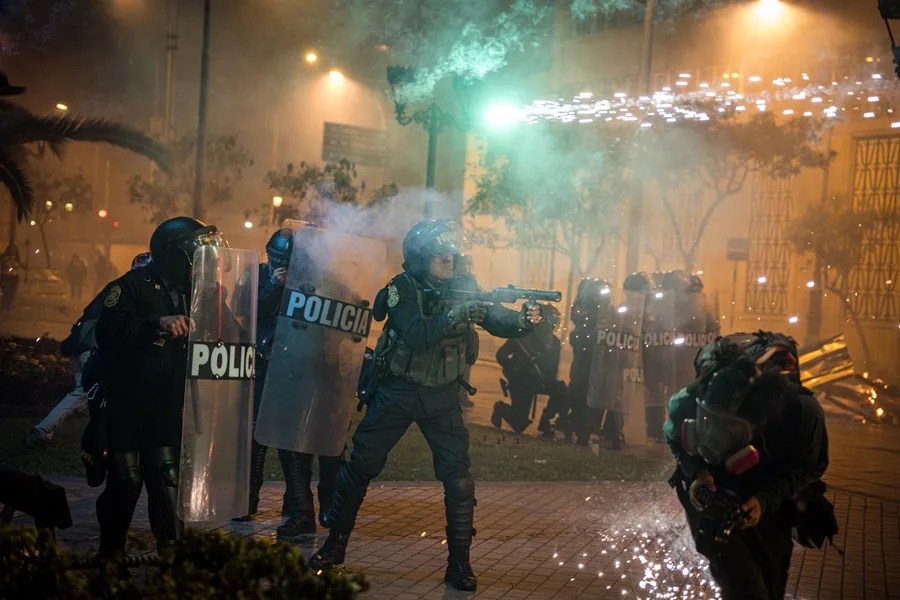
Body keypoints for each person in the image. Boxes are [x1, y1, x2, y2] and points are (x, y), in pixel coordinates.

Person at [309, 219, 543, 591]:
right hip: (398, 392)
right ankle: (334, 545)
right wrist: (455, 315)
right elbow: (416, 335)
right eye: (441, 255)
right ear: (421, 258)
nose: (449, 259)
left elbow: (495, 318)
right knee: (361, 467)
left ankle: (460, 564)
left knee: (459, 480)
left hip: (442, 396)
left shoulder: (463, 284)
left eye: (452, 253)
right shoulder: (403, 287)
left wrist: (524, 321)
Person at [94, 217, 227, 556]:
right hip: (127, 401)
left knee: (167, 476)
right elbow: (108, 333)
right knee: (126, 479)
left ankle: (173, 556)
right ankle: (110, 554)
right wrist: (157, 323)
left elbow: (229, 328)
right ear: (171, 254)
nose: (199, 260)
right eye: (192, 253)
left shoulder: (198, 292)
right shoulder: (129, 286)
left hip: (167, 402)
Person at [664, 332, 829, 599]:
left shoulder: (801, 412)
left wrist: (765, 500)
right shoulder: (689, 400)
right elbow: (673, 436)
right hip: (712, 488)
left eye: (731, 432)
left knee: (771, 578)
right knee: (741, 583)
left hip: (771, 486)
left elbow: (811, 465)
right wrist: (697, 472)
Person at [233, 228, 343, 542]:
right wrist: (272, 285)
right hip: (263, 362)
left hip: (296, 367)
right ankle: (247, 501)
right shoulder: (256, 274)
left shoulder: (313, 279)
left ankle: (298, 507)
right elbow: (246, 311)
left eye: (285, 261)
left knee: (292, 440)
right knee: (254, 435)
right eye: (275, 258)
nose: (278, 263)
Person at [24, 253, 151, 448]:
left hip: (82, 343)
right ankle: (112, 441)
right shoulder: (131, 291)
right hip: (92, 347)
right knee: (114, 390)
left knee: (82, 393)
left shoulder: (118, 286)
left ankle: (43, 431)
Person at [491, 304, 561, 435]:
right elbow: (501, 355)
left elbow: (553, 368)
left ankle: (545, 422)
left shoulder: (555, 343)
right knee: (519, 425)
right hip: (522, 382)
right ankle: (501, 409)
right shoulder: (523, 336)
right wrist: (514, 370)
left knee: (561, 391)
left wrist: (549, 381)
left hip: (542, 381)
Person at [1, 242, 22, 312]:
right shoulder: (4, 257)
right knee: (6, 292)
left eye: (14, 250)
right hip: (6, 277)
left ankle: (8, 308)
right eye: (12, 249)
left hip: (14, 277)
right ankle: (4, 307)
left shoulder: (17, 258)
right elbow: (6, 264)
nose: (13, 251)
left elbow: (20, 265)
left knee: (12, 293)